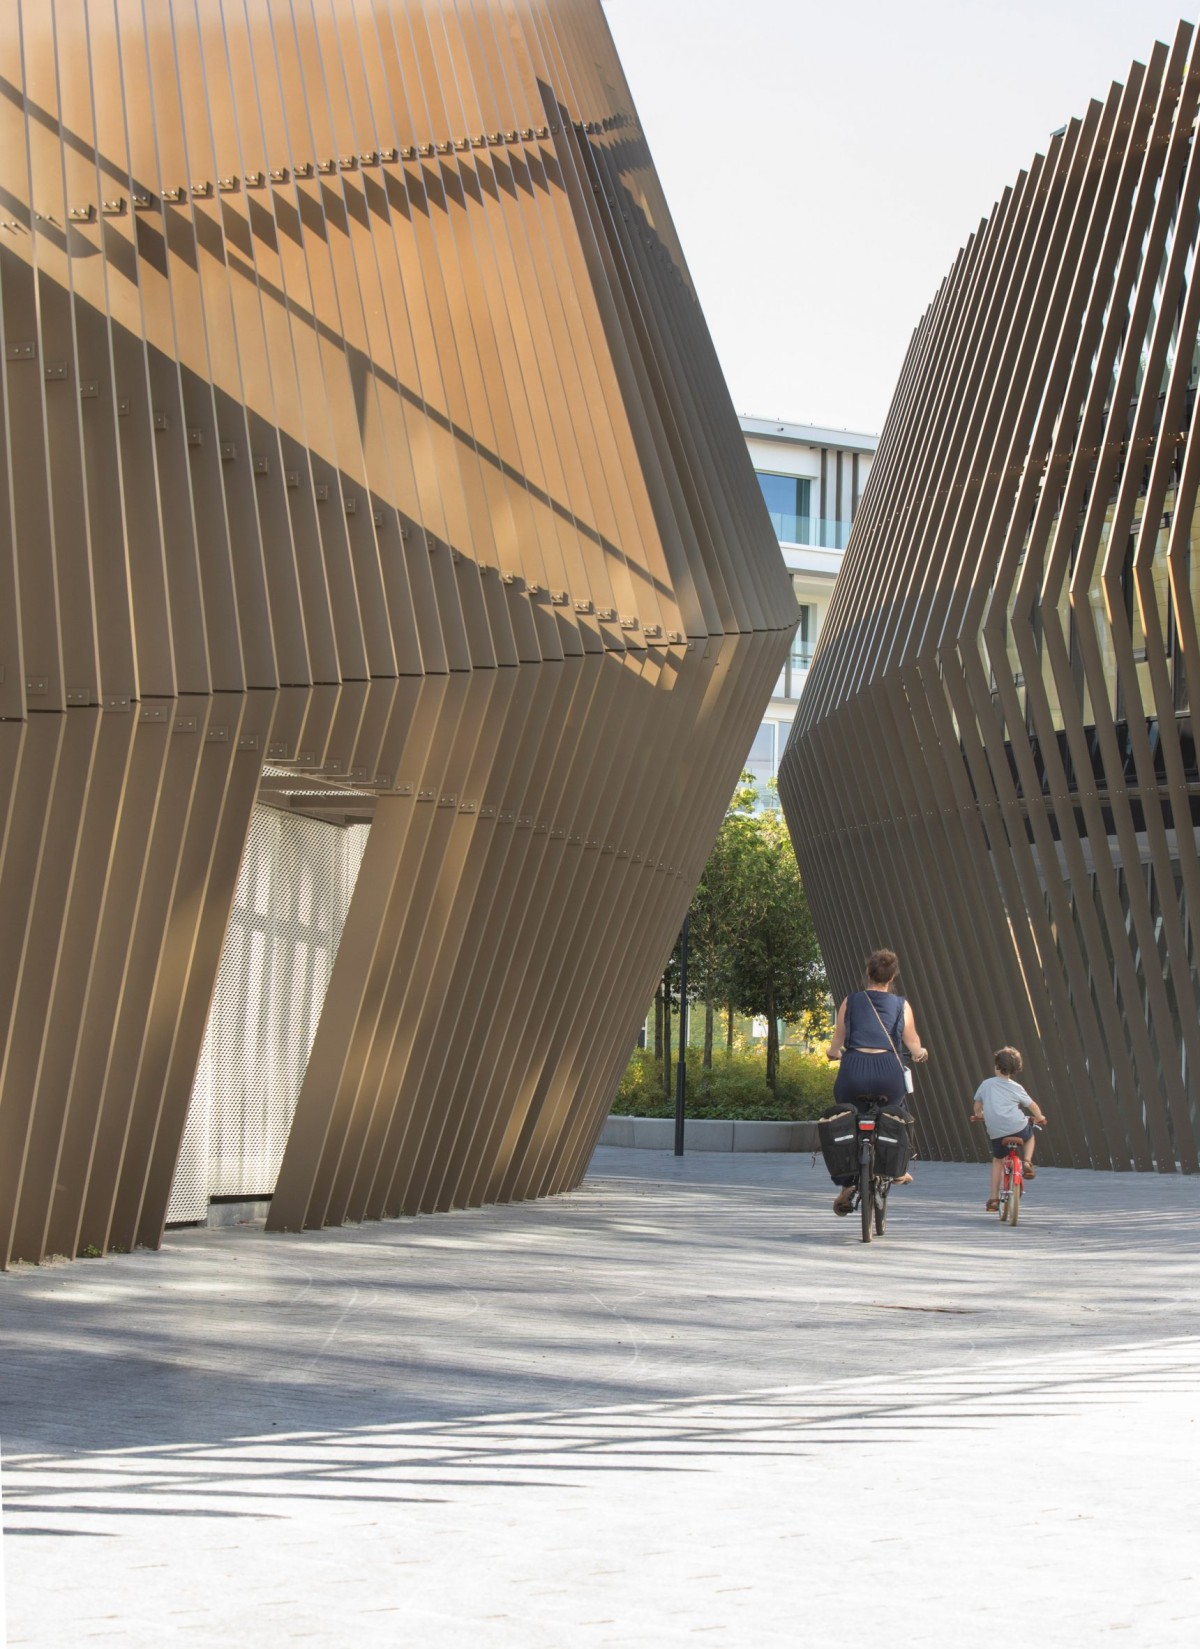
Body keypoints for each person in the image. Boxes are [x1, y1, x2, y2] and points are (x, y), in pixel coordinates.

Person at [825, 949, 929, 1214]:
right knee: (897, 1114)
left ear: (867, 973)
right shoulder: (901, 1005)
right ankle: (898, 1170)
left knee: (848, 1117)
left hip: (854, 1071)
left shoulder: (851, 1001)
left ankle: (847, 1186)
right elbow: (912, 1042)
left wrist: (833, 1053)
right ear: (892, 977)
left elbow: (838, 1040)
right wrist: (920, 1054)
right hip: (888, 1071)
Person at [971, 1047, 1048, 1211]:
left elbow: (977, 1105)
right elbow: (1032, 1106)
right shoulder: (1016, 1087)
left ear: (996, 1066)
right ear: (1015, 1069)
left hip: (997, 1132)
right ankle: (1027, 1161)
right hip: (1018, 1126)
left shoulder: (986, 1084)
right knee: (1030, 1135)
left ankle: (993, 1199)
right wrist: (1040, 1118)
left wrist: (980, 1115)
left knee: (998, 1161)